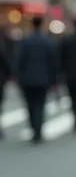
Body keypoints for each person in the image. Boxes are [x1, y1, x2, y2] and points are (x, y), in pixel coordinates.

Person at [15, 16, 57, 144]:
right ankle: (38, 130)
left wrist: (18, 77)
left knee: (30, 105)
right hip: (43, 79)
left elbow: (19, 61)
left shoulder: (25, 42)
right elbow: (53, 63)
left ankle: (34, 128)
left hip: (27, 79)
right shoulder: (48, 42)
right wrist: (54, 79)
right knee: (40, 105)